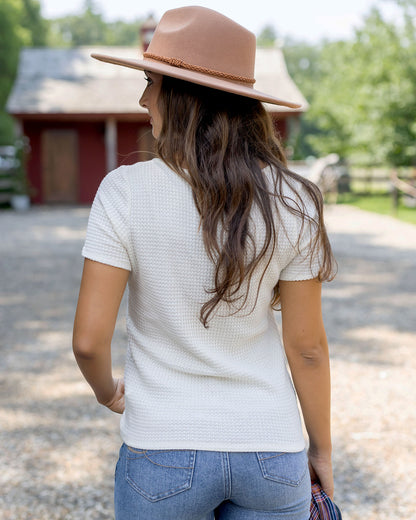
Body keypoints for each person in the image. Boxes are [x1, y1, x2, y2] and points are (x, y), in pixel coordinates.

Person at [73, 6, 336, 520]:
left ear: (184, 96)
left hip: (161, 451)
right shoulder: (294, 199)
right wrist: (321, 449)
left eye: (151, 82)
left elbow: (87, 341)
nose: (143, 97)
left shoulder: (124, 191)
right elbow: (307, 349)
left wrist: (108, 393)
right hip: (271, 452)